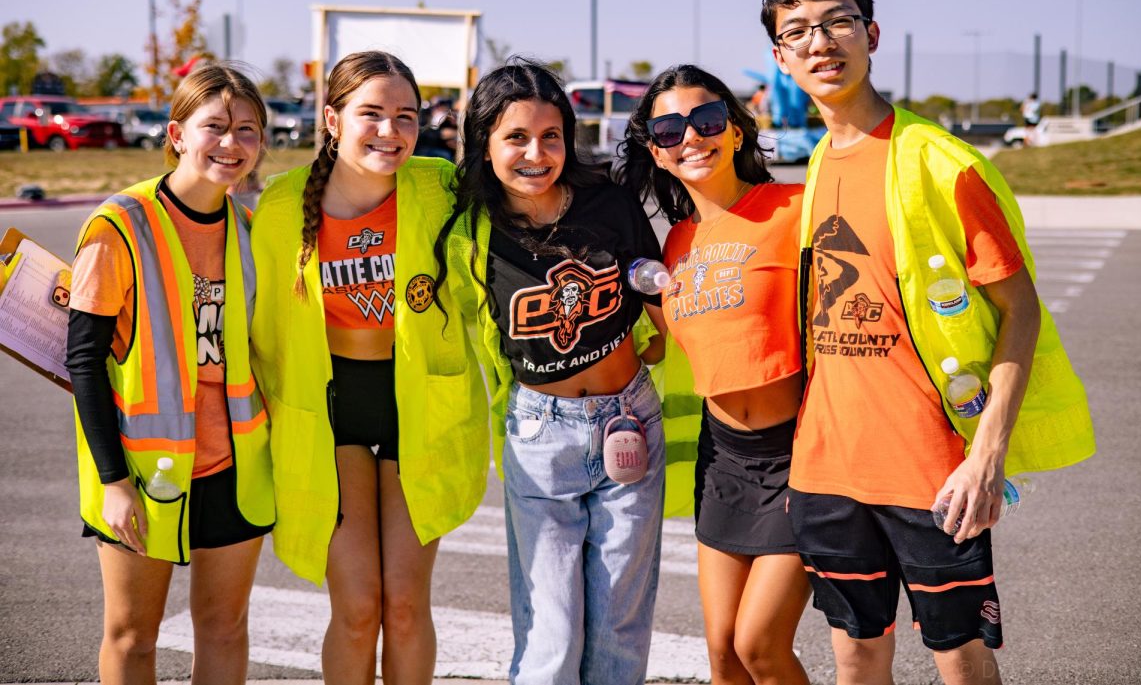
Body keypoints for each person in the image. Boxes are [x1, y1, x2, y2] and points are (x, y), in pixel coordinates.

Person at [760, 0, 1094, 685]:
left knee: (963, 662)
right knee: (854, 658)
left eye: (838, 20)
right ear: (780, 58)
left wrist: (988, 454)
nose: (821, 42)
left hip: (931, 471)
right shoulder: (816, 163)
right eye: (798, 31)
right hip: (827, 468)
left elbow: (1021, 308)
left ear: (872, 33)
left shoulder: (945, 164)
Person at [249, 51, 489, 685]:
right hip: (330, 414)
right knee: (357, 609)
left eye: (405, 116)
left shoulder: (439, 188)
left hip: (420, 407)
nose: (390, 131)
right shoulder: (279, 207)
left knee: (406, 607)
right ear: (332, 119)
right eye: (371, 114)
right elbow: (260, 326)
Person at [434, 59, 668, 685]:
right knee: (552, 634)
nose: (536, 153)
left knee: (620, 626)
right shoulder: (469, 229)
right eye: (515, 137)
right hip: (541, 436)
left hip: (630, 418)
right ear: (484, 143)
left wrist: (655, 335)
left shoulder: (609, 203)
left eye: (551, 135)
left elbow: (655, 290)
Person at [66, 62, 275, 683]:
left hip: (236, 465)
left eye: (247, 130)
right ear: (178, 133)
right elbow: (83, 361)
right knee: (132, 638)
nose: (232, 144)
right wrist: (112, 479)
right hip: (140, 467)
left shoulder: (247, 228)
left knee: (225, 628)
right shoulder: (119, 225)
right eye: (216, 127)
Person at [619, 64, 812, 685]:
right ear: (656, 150)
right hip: (724, 458)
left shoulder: (793, 209)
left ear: (734, 131)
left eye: (706, 120)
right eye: (670, 128)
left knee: (760, 645)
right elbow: (664, 342)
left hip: (799, 454)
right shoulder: (675, 242)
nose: (691, 137)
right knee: (723, 655)